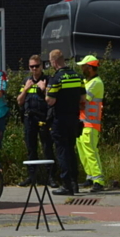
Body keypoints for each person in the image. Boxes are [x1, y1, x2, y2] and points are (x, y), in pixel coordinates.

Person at [45, 49, 85, 196]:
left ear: (54, 62)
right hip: (73, 118)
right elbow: (83, 99)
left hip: (59, 119)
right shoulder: (77, 76)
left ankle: (66, 184)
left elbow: (50, 100)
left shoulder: (56, 78)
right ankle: (74, 184)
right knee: (71, 150)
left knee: (62, 151)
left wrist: (46, 91)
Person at [16, 54, 57, 188]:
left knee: (47, 148)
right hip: (29, 118)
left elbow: (52, 100)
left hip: (43, 118)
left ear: (41, 66)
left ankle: (51, 177)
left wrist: (44, 89)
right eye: (31, 66)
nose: (34, 69)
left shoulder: (48, 80)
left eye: (36, 66)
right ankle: (32, 177)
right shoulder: (26, 81)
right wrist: (26, 89)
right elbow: (19, 101)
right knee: (31, 148)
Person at [76, 55, 105, 193]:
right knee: (83, 152)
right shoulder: (87, 81)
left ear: (90, 67)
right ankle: (90, 176)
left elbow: (83, 99)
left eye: (83, 66)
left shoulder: (96, 83)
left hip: (91, 123)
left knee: (91, 151)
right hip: (83, 122)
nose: (81, 68)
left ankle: (98, 180)